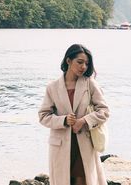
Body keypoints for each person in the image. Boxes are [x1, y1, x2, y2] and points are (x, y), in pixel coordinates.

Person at [38, 44, 109, 185]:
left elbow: (104, 111)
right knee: (63, 181)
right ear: (68, 61)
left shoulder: (90, 84)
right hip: (60, 145)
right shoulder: (52, 87)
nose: (83, 67)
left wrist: (84, 120)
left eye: (86, 64)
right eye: (80, 62)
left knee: (83, 180)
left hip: (84, 143)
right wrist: (63, 120)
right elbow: (43, 116)